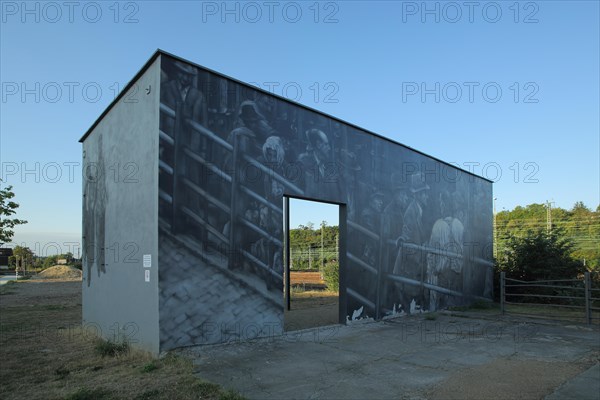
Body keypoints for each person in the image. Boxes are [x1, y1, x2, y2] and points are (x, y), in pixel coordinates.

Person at [392, 172, 430, 314]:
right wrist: (419, 253)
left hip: (415, 263)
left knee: (414, 294)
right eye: (424, 193)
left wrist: (424, 243)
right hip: (410, 265)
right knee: (409, 294)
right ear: (417, 195)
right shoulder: (411, 212)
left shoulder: (419, 210)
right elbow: (408, 237)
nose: (427, 196)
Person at [426, 191, 464, 311]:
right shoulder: (459, 224)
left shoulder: (438, 225)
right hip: (456, 270)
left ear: (444, 205)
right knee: (452, 297)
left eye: (441, 203)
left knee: (440, 299)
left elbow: (432, 250)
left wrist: (430, 270)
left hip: (442, 270)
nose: (440, 205)